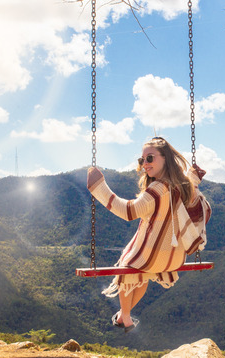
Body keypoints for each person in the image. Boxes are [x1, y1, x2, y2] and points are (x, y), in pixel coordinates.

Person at [85, 136, 207, 333]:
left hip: (153, 256)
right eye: (142, 160)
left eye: (150, 158)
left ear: (165, 158)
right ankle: (124, 317)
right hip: (174, 258)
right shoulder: (183, 185)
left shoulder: (158, 188)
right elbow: (192, 186)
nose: (145, 165)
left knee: (127, 266)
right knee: (141, 275)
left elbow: (128, 211)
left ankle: (124, 316)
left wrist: (99, 189)